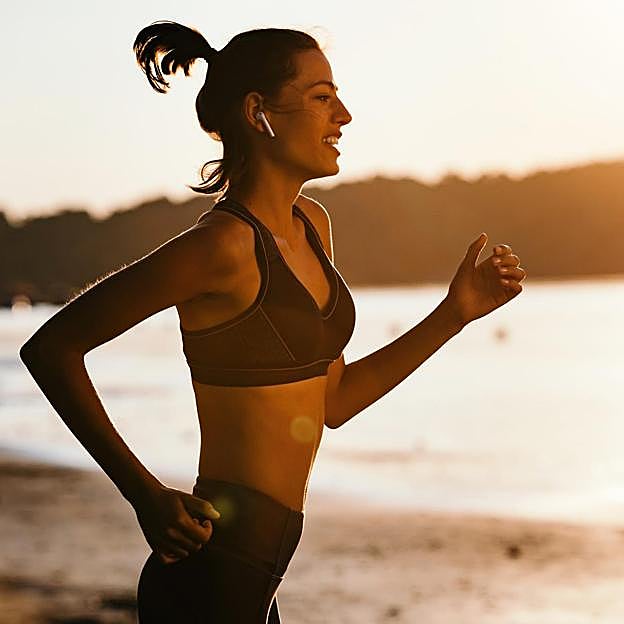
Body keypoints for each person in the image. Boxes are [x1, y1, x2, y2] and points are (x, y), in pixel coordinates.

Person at [18, 19, 527, 623]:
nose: (344, 115)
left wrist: (456, 313)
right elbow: (51, 349)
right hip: (210, 575)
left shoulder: (313, 227)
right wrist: (145, 496)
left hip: (259, 580)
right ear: (260, 112)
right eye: (321, 97)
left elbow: (334, 401)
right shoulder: (220, 248)